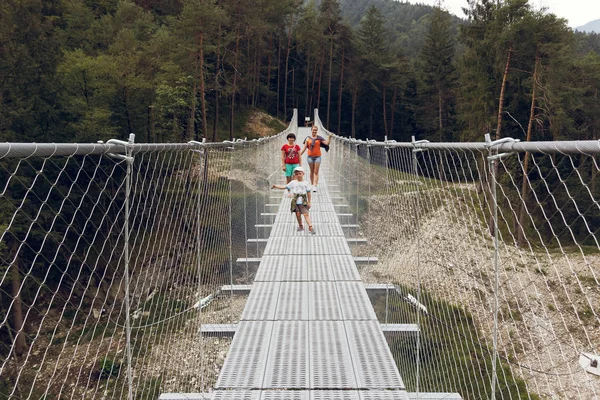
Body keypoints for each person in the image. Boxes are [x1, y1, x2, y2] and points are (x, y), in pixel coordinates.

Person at [271, 166, 315, 234]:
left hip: (303, 202)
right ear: (295, 175)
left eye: (300, 173)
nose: (298, 175)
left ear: (303, 173)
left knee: (306, 214)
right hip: (295, 201)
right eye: (296, 174)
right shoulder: (293, 182)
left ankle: (310, 227)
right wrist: (276, 186)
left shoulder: (306, 183)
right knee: (297, 214)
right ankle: (300, 226)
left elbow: (308, 193)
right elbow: (285, 187)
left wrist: (309, 202)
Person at [300, 125, 330, 192]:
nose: (314, 131)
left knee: (316, 172)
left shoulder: (319, 138)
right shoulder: (308, 139)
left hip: (317, 157)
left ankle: (315, 186)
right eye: (313, 130)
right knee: (312, 171)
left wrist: (329, 137)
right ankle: (312, 184)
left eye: (315, 130)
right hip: (310, 157)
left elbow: (327, 143)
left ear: (317, 131)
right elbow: (304, 148)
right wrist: (299, 155)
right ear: (311, 130)